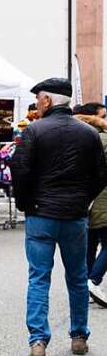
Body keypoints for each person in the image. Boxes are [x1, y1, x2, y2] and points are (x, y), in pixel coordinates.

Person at [12, 78, 107, 356]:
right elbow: (102, 174)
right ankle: (79, 337)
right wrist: (83, 200)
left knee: (39, 277)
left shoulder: (35, 131)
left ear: (47, 101)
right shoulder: (88, 134)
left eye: (40, 99)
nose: (38, 104)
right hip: (74, 215)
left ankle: (38, 341)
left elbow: (20, 169)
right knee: (77, 277)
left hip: (41, 213)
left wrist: (26, 204)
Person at [73, 106, 107, 309]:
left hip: (82, 199)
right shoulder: (102, 139)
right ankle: (92, 281)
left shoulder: (75, 140)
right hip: (102, 197)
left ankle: (83, 288)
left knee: (89, 244)